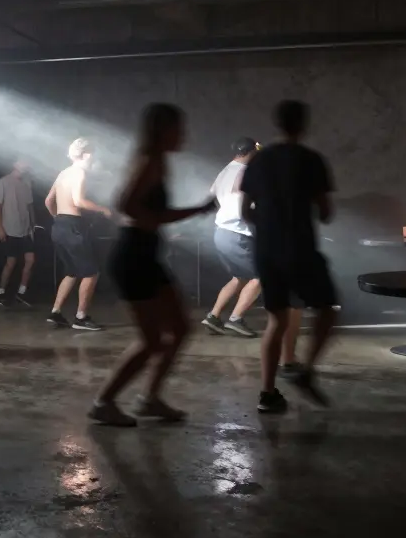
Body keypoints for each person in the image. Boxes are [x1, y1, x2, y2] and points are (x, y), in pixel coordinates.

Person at [89, 104, 216, 426]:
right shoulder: (148, 162)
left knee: (181, 329)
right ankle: (104, 402)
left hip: (146, 256)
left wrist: (196, 210)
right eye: (178, 128)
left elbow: (155, 212)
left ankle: (150, 399)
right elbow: (124, 203)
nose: (183, 135)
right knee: (152, 341)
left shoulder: (157, 162)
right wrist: (153, 220)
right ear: (162, 130)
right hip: (133, 257)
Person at [240, 100, 337, 414]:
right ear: (303, 125)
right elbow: (325, 213)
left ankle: (267, 393)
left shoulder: (259, 161)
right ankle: (305, 369)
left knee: (276, 319)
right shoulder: (311, 160)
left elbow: (245, 211)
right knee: (326, 309)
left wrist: (268, 227)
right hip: (300, 249)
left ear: (277, 124)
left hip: (267, 250)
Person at [45, 138, 109, 331]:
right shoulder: (80, 172)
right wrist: (102, 209)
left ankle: (55, 313)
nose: (94, 157)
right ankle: (81, 318)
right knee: (91, 273)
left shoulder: (63, 173)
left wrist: (59, 219)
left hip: (59, 227)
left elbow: (48, 201)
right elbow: (79, 201)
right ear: (86, 154)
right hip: (73, 227)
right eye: (93, 153)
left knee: (72, 272)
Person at [204, 137, 261, 338]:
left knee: (239, 278)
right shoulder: (246, 173)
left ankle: (213, 316)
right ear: (250, 152)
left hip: (222, 232)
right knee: (260, 277)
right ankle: (236, 319)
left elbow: (214, 195)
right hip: (237, 233)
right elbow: (245, 201)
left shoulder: (226, 170)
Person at [0, 159, 36, 307]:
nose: (26, 165)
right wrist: (0, 227)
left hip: (26, 230)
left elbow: (30, 206)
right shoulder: (3, 182)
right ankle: (1, 293)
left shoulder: (27, 183)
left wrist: (33, 225)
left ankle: (21, 293)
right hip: (10, 228)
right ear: (15, 164)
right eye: (22, 162)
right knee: (11, 262)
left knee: (30, 260)